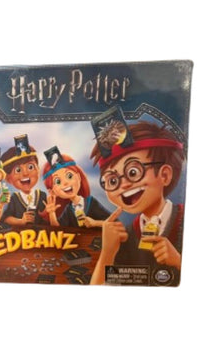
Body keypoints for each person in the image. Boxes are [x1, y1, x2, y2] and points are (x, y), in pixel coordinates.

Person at [89, 120, 185, 285]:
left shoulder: (185, 219)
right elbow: (99, 291)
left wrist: (178, 261)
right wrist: (107, 253)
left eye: (133, 172)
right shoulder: (127, 236)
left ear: (165, 175)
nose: (124, 185)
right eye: (112, 180)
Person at [42, 145, 110, 228]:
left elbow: (113, 223)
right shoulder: (68, 210)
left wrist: (95, 223)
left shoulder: (91, 203)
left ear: (78, 177)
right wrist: (52, 213)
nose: (65, 183)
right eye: (58, 181)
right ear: (53, 191)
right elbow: (58, 230)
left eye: (69, 176)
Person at [0, 134, 47, 226]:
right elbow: (6, 218)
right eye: (18, 170)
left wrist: (48, 212)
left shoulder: (42, 195)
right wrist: (20, 221)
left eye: (30, 167)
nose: (25, 173)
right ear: (9, 178)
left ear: (38, 169)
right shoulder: (14, 199)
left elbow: (45, 218)